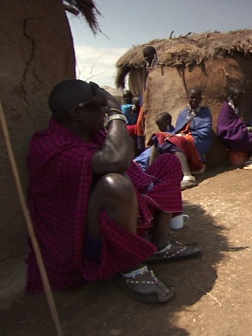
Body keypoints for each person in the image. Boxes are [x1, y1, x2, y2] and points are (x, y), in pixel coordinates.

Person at [26, 80, 201, 304]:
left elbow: (125, 154)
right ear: (77, 113)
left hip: (123, 215)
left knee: (168, 162)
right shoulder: (51, 146)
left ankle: (158, 245)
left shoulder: (92, 135)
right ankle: (131, 267)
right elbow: (117, 160)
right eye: (98, 107)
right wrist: (116, 111)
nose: (103, 111)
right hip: (88, 237)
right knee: (115, 184)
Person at [133, 46, 159, 154]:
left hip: (154, 101)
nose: (145, 58)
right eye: (144, 56)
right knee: (139, 124)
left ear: (153, 54)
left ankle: (147, 150)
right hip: (145, 100)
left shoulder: (158, 67)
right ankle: (141, 149)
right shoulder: (147, 67)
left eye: (147, 55)